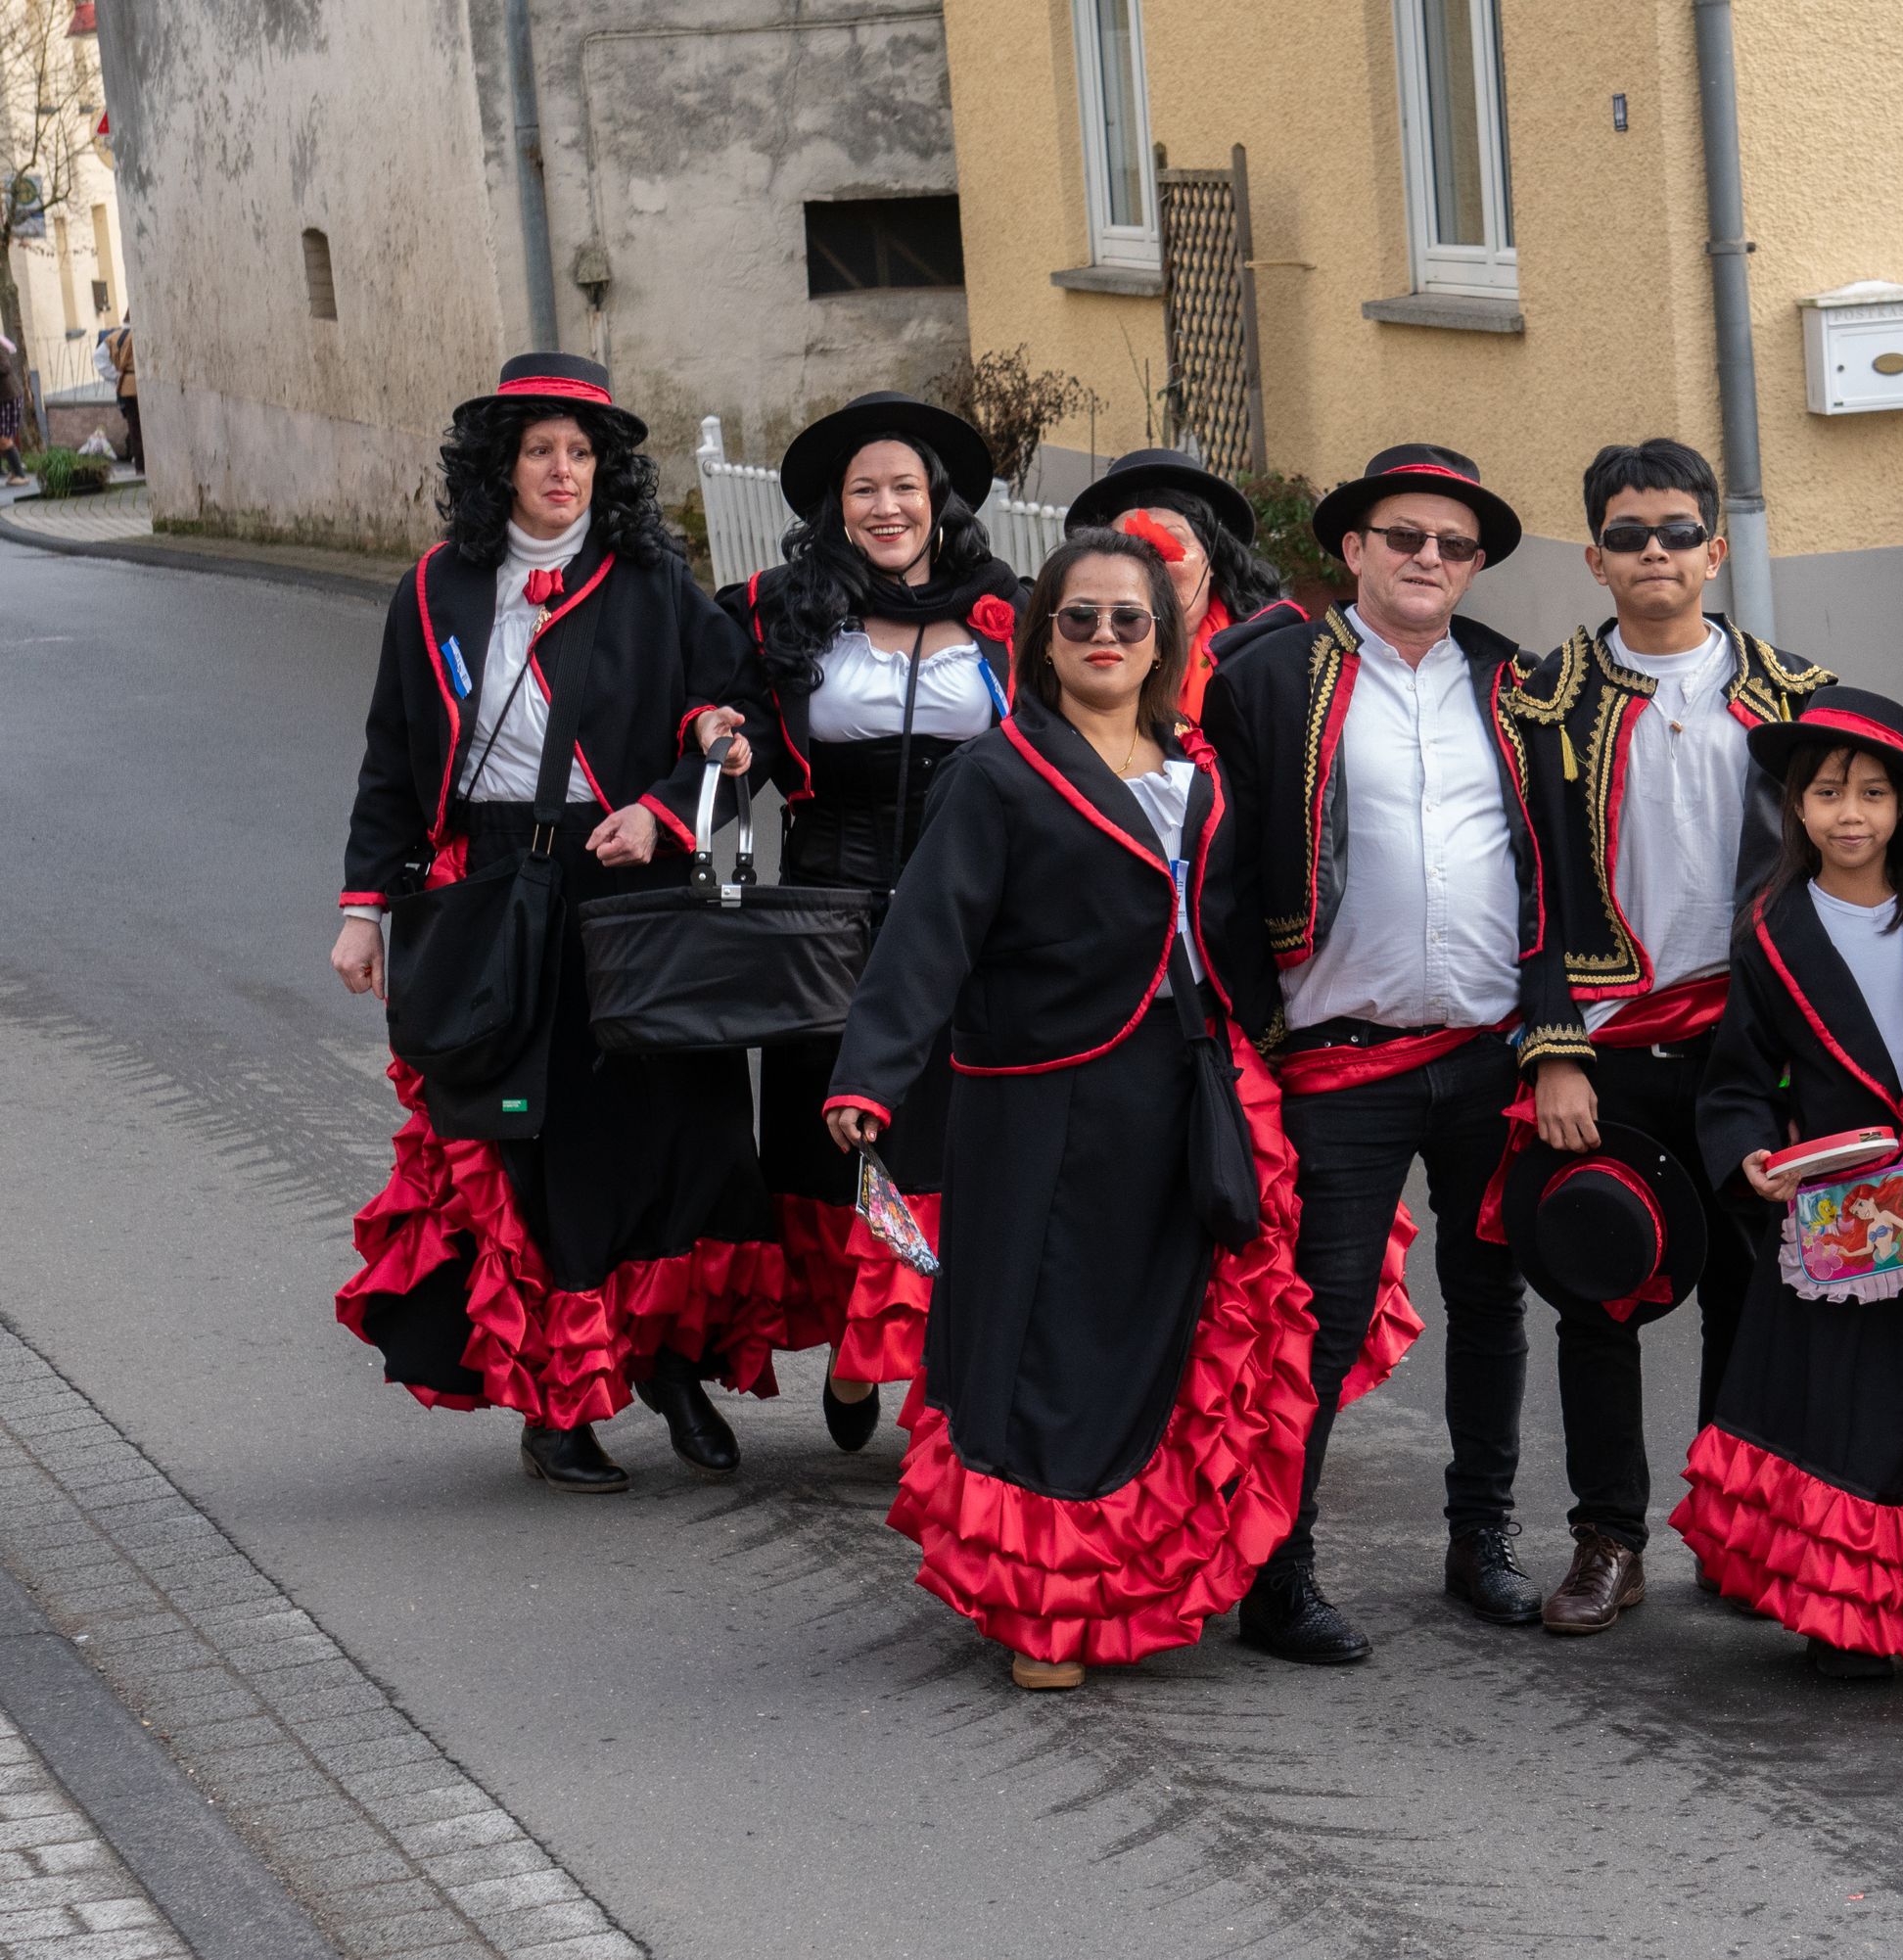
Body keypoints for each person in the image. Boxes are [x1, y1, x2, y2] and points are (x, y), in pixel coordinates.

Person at [821, 530, 1316, 1692]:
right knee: (1043, 1342)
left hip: (1172, 1087)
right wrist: (870, 1077)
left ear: (1162, 641)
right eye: (1079, 617)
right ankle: (1037, 1600)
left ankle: (1122, 1576)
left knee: (1153, 1336)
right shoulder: (998, 771)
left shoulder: (1193, 770)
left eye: (1128, 620)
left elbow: (1224, 928)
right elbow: (925, 936)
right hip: (1037, 1099)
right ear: (1043, 635)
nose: (1103, 636)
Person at [334, 353, 784, 1493]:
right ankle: (558, 1405)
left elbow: (737, 730)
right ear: (499, 466)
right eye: (541, 450)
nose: (563, 471)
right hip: (490, 887)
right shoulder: (434, 589)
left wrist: (664, 808)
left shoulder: (649, 582)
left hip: (626, 878)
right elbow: (394, 757)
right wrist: (365, 910)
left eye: (583, 453)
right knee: (537, 1147)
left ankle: (672, 1360)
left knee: (684, 1128)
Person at [1203, 444, 1570, 1663]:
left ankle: (1481, 1539)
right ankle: (1279, 1570)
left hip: (1482, 1056)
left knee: (1491, 1301)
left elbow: (1552, 873)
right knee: (1322, 1314)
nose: (1427, 560)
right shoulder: (1267, 675)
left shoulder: (1514, 686)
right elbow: (1221, 858)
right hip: (1333, 1059)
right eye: (1404, 537)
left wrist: (1549, 1033)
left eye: (1452, 546)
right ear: (1351, 549)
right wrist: (1247, 1023)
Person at [1506, 437, 1836, 1636]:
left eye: (1679, 532)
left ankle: (1734, 1530)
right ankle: (1608, 1538)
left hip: (1752, 1046)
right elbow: (1525, 884)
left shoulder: (1795, 695)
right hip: (1601, 1044)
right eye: (1631, 535)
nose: (1658, 553)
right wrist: (1550, 1044)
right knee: (1599, 1287)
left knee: (1756, 1297)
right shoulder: (1539, 701)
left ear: (1715, 547)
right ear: (1594, 555)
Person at [1671, 688, 1903, 1681]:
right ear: (1793, 807)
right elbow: (1736, 1078)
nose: (1849, 813)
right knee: (1841, 1406)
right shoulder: (1770, 932)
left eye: (1871, 792)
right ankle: (1845, 1614)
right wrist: (1750, 1157)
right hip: (1840, 1207)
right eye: (1825, 793)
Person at [719, 393, 1026, 1450]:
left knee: (955, 1139)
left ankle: (934, 1365)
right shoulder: (779, 611)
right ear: (837, 509)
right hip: (828, 921)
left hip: (975, 922)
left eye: (906, 487)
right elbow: (725, 712)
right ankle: (862, 1346)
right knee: (845, 1141)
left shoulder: (1011, 611)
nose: (888, 506)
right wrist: (721, 737)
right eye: (866, 490)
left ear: (937, 502)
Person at [1064, 446, 1305, 717]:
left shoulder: (1263, 656)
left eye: (1172, 539)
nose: (1149, 562)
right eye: (1127, 546)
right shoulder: (1073, 651)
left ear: (1212, 559)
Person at [111, 315, 139, 472]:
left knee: (133, 424)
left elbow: (99, 357)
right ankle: (140, 462)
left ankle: (139, 462)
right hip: (133, 382)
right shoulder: (127, 336)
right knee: (136, 424)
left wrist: (114, 376)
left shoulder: (116, 337)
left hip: (126, 384)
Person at [0, 335, 27, 485]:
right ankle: (14, 471)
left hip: (8, 398)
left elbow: (5, 367)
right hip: (4, 398)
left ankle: (20, 475)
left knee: (4, 438)